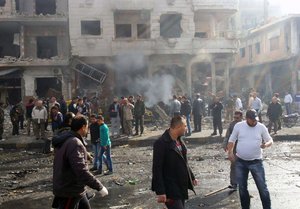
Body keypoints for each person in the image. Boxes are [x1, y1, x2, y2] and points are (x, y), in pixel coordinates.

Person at [52, 115, 108, 209]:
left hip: (75, 188)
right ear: (83, 127)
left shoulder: (68, 139)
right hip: (69, 190)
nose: (88, 129)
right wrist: (99, 187)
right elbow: (81, 170)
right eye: (87, 126)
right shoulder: (74, 143)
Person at [227, 109, 273, 209]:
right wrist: (230, 152)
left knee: (262, 188)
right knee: (242, 188)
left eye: (255, 119)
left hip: (256, 161)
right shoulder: (239, 126)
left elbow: (270, 140)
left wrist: (266, 144)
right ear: (247, 118)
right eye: (252, 120)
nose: (254, 122)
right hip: (240, 161)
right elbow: (232, 139)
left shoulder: (261, 127)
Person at [152, 115, 198, 209]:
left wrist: (192, 177)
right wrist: (160, 192)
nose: (186, 128)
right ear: (177, 127)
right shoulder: (161, 143)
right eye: (185, 126)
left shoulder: (179, 140)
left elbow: (184, 161)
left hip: (181, 186)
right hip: (170, 188)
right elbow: (157, 168)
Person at [222, 110, 243, 190]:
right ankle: (234, 183)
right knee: (233, 166)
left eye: (237, 118)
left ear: (241, 117)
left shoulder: (245, 125)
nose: (235, 119)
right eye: (234, 117)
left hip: (242, 148)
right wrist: (225, 145)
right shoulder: (232, 124)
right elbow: (227, 135)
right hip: (234, 148)